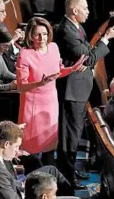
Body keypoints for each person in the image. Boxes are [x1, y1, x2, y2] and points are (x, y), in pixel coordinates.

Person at [55, 0, 114, 187]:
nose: (88, 12)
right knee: (71, 136)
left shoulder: (76, 27)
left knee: (75, 135)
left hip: (79, 89)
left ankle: (71, 171)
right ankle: (67, 177)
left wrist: (89, 56)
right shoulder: (66, 31)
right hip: (72, 91)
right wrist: (106, 39)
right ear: (74, 11)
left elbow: (87, 56)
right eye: (85, 8)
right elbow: (89, 59)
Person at [16, 17, 88, 167]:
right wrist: (40, 83)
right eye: (37, 34)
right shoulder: (25, 54)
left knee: (49, 144)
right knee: (31, 146)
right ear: (30, 35)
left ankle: (48, 176)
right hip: (32, 104)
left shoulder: (54, 47)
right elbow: (21, 87)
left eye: (44, 33)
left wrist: (72, 69)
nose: (41, 38)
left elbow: (58, 72)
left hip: (50, 102)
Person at [0, 121, 74, 199]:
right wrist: (24, 189)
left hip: (16, 185)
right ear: (6, 144)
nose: (17, 151)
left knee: (50, 170)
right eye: (16, 146)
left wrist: (19, 184)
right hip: (21, 194)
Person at [0, 0, 25, 73]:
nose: (5, 14)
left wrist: (17, 37)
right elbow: (3, 52)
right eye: (2, 11)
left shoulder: (1, 23)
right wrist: (13, 39)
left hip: (16, 53)